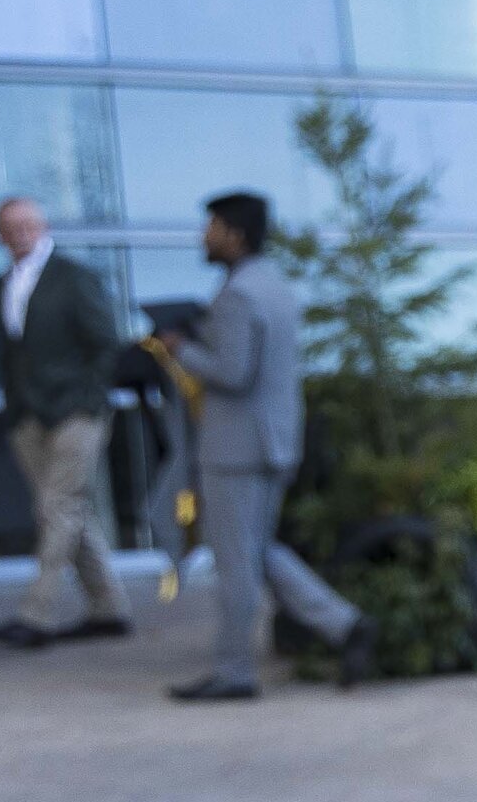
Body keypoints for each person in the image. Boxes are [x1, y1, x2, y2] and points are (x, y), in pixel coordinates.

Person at [156, 194, 370, 700]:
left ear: (234, 233)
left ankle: (234, 673)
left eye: (210, 226)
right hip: (272, 443)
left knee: (235, 564)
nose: (203, 236)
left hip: (235, 450)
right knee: (255, 551)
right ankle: (345, 624)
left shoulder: (237, 295)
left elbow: (232, 373)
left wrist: (181, 348)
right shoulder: (273, 286)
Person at [0, 195, 133, 650]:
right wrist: (15, 408)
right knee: (69, 511)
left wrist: (86, 400)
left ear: (43, 225)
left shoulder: (73, 277)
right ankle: (109, 608)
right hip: (28, 416)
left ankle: (36, 614)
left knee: (56, 509)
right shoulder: (1, 284)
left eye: (29, 223)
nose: (22, 232)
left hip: (75, 413)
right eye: (12, 226)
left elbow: (107, 343)